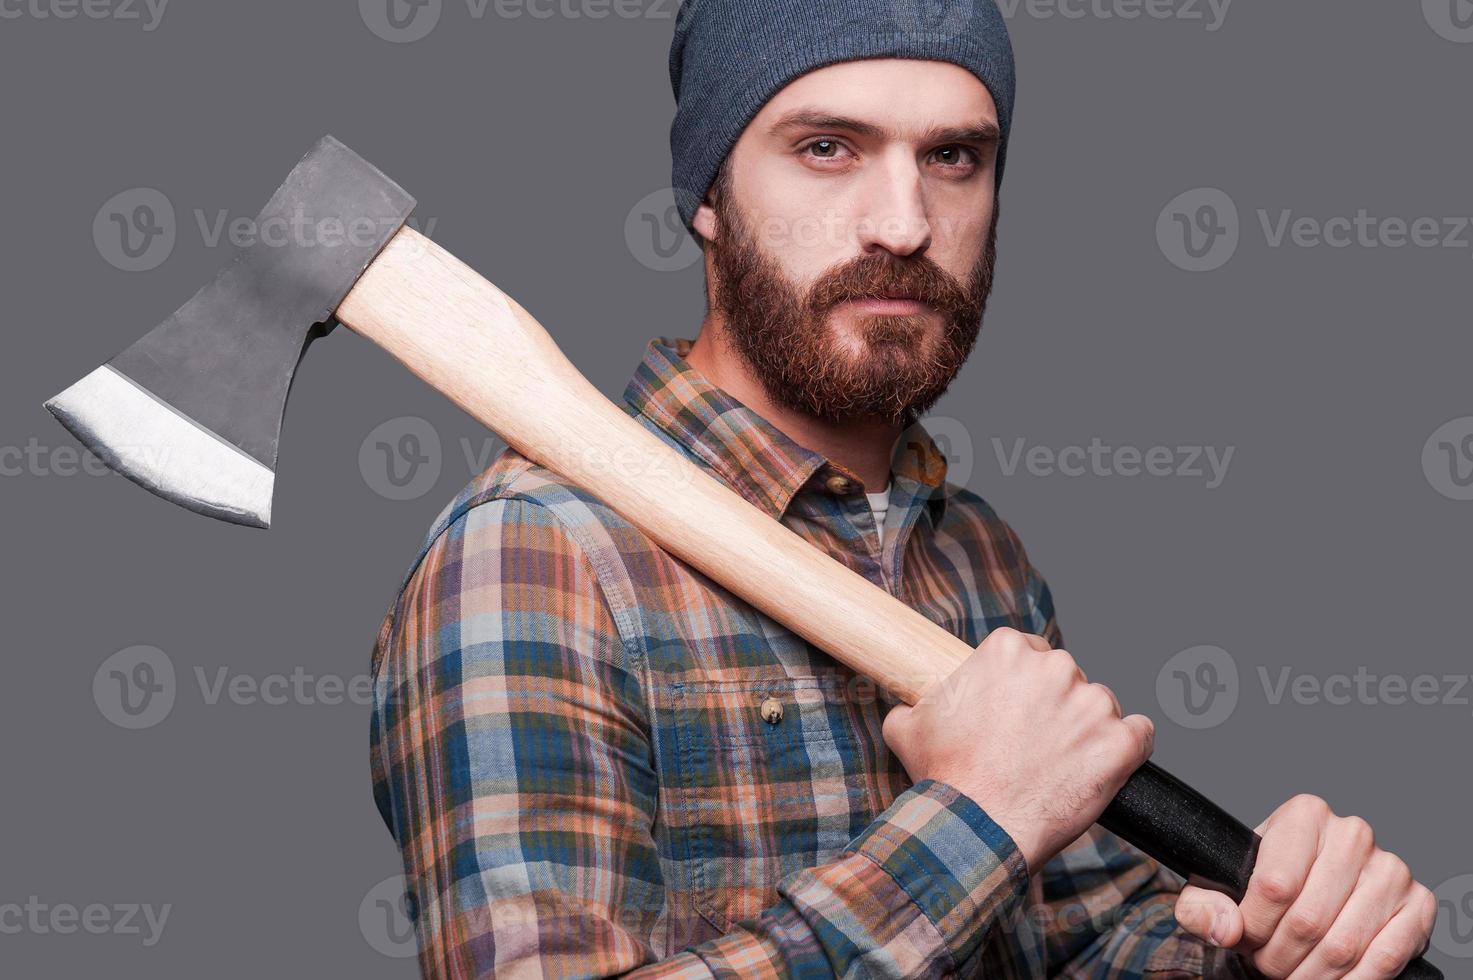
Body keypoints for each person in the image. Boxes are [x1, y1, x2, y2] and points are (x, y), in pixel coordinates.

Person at [369, 1, 1437, 975]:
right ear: (707, 196)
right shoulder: (532, 559)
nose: (904, 223)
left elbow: (1075, 943)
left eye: (953, 156)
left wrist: (1265, 946)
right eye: (827, 148)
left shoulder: (976, 551)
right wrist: (974, 818)